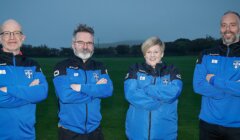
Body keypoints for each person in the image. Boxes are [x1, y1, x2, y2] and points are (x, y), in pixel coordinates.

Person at [53, 24, 113, 140]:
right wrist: (95, 92)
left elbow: (108, 90)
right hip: (69, 133)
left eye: (89, 43)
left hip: (95, 131)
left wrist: (80, 88)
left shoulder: (99, 66)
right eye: (80, 42)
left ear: (93, 46)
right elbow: (65, 96)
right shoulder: (62, 66)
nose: (85, 46)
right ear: (73, 45)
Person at [124, 36, 183, 140]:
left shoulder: (172, 70)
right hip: (137, 132)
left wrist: (147, 89)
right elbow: (131, 93)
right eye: (148, 52)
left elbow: (174, 91)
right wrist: (154, 103)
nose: (152, 55)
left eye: (156, 52)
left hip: (165, 133)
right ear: (144, 54)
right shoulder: (135, 69)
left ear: (162, 54)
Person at [193, 11, 240, 140]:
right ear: (220, 28)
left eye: (232, 25)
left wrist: (213, 80)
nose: (227, 29)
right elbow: (198, 85)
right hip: (208, 125)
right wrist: (231, 88)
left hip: (237, 127)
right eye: (224, 25)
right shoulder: (206, 54)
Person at [0, 19, 48, 139]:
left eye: (16, 33)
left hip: (27, 136)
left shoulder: (33, 64)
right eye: (6, 33)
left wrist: (9, 90)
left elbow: (42, 92)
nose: (12, 37)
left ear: (23, 37)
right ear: (0, 38)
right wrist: (29, 94)